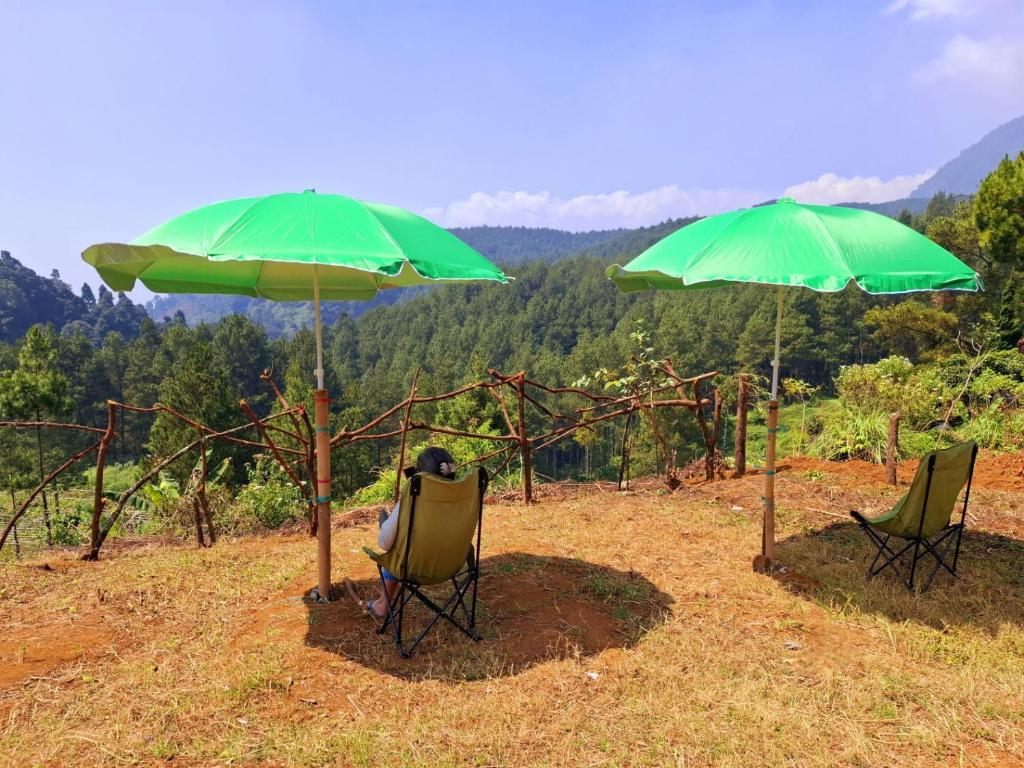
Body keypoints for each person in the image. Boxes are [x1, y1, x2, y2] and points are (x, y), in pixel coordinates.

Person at [367, 447, 458, 619]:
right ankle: (383, 603)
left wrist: (387, 523)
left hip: (415, 565)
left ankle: (382, 605)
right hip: (452, 563)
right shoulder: (461, 498)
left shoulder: (412, 501)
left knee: (395, 546)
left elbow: (384, 542)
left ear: (420, 475)